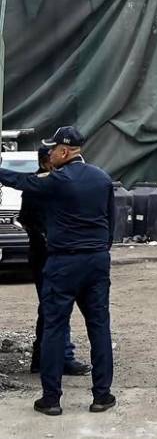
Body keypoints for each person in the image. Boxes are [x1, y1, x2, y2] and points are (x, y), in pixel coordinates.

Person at [0, 126, 116, 416]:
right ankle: (102, 396)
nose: (49, 154)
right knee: (99, 326)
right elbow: (111, 224)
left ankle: (51, 399)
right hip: (96, 261)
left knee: (54, 327)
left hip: (64, 263)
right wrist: (99, 252)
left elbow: (19, 181)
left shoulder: (57, 181)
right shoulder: (102, 178)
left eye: (52, 149)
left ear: (64, 151)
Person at [19, 144, 88, 377]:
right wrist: (47, 237)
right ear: (46, 162)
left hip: (60, 254)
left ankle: (45, 357)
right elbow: (27, 220)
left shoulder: (59, 183)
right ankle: (58, 358)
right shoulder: (38, 185)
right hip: (45, 256)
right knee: (55, 306)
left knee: (52, 306)